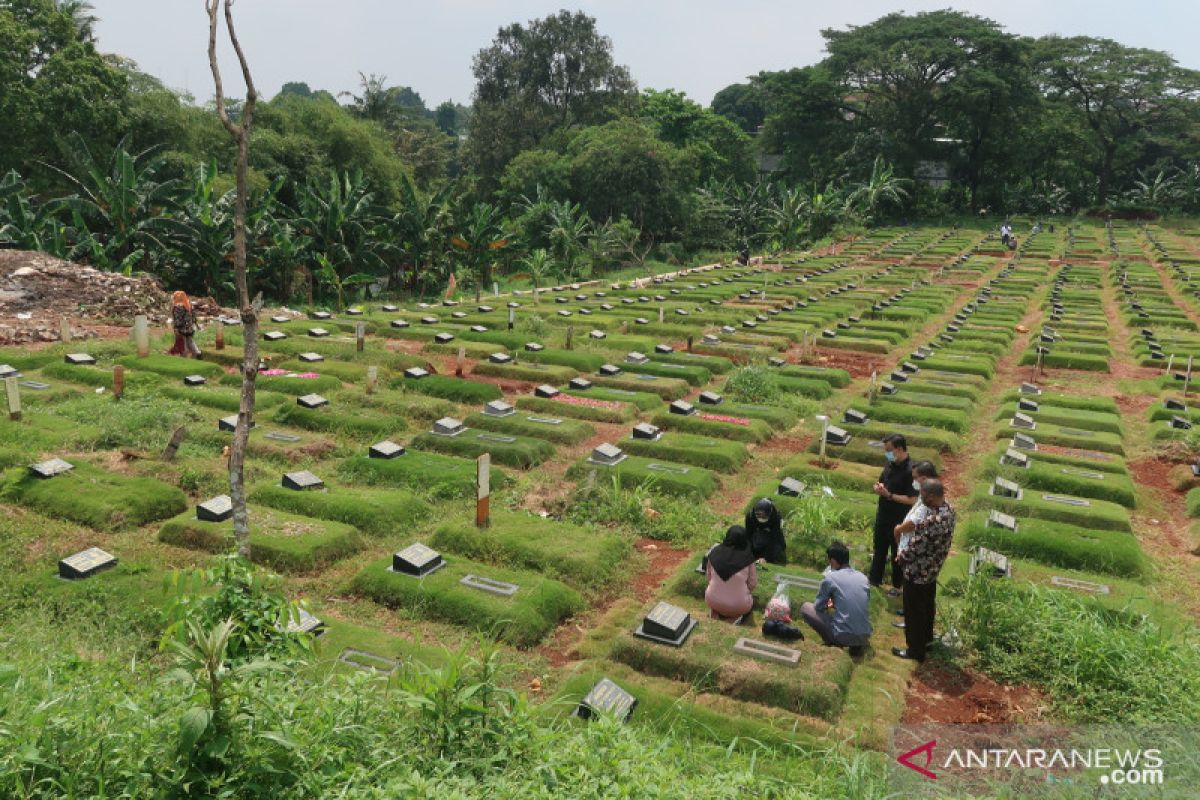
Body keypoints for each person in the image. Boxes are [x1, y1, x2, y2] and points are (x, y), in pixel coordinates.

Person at [893, 479, 956, 661]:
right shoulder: (949, 511)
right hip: (933, 568)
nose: (922, 498)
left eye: (925, 496)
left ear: (933, 496)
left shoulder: (932, 521)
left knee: (914, 612)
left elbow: (916, 546)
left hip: (917, 571)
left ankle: (915, 650)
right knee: (927, 607)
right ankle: (927, 639)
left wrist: (901, 556)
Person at [799, 541, 872, 656]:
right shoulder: (863, 578)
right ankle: (856, 646)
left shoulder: (831, 578)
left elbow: (819, 606)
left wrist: (829, 603)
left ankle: (833, 641)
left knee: (806, 608)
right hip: (864, 635)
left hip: (843, 635)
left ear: (833, 561)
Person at [868, 434, 919, 593]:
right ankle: (874, 581)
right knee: (879, 550)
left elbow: (912, 499)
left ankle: (897, 587)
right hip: (883, 515)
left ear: (899, 449)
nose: (887, 454)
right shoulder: (889, 464)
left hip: (899, 520)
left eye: (889, 450)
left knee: (897, 554)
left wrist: (889, 495)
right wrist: (879, 488)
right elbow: (882, 481)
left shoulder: (912, 470)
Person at [891, 460, 939, 629]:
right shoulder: (927, 493)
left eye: (915, 478)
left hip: (915, 553)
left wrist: (898, 529)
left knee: (916, 596)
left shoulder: (929, 498)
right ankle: (909, 614)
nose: (913, 481)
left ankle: (912, 626)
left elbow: (914, 522)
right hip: (911, 548)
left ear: (924, 478)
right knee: (912, 594)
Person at [705, 525, 757, 621]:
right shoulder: (748, 558)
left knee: (719, 598)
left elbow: (709, 576)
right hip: (739, 606)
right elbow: (752, 584)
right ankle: (735, 617)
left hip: (712, 600)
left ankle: (717, 612)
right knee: (746, 600)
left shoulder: (714, 552)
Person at [745, 497, 786, 565]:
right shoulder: (750, 516)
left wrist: (765, 558)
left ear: (769, 512)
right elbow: (749, 535)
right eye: (758, 515)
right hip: (757, 535)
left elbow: (775, 537)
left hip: (771, 536)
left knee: (778, 548)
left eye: (763, 515)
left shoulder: (776, 517)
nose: (761, 517)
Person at [168, 291, 201, 358]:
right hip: (190, 328)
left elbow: (178, 319)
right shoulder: (189, 304)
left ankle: (184, 357)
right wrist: (196, 324)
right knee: (190, 341)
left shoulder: (178, 306)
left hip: (182, 328)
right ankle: (197, 353)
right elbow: (194, 316)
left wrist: (176, 328)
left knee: (183, 344)